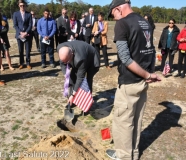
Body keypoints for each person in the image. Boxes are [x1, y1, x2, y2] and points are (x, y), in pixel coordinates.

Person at [105, 0, 161, 160]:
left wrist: (148, 75)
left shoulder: (122, 24)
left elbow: (124, 57)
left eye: (113, 14)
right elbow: (151, 50)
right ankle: (133, 153)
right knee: (136, 120)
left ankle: (124, 156)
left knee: (123, 122)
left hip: (130, 82)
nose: (114, 19)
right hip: (143, 83)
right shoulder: (145, 22)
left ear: (118, 9)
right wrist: (149, 72)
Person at [57, 40, 100, 104]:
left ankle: (87, 102)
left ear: (72, 54)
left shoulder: (80, 59)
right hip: (79, 57)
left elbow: (80, 78)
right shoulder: (61, 49)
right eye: (64, 61)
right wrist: (66, 75)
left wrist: (73, 94)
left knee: (87, 81)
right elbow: (62, 63)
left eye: (67, 61)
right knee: (72, 78)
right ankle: (72, 100)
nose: (65, 63)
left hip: (92, 60)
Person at [13, 0, 32, 69]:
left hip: (27, 35)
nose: (22, 7)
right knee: (20, 50)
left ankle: (28, 63)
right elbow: (15, 25)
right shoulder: (15, 14)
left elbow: (30, 25)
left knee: (27, 50)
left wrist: (26, 32)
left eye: (23, 5)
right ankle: (21, 63)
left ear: (25, 6)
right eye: (21, 5)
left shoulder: (29, 14)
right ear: (18, 6)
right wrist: (20, 32)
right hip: (19, 35)